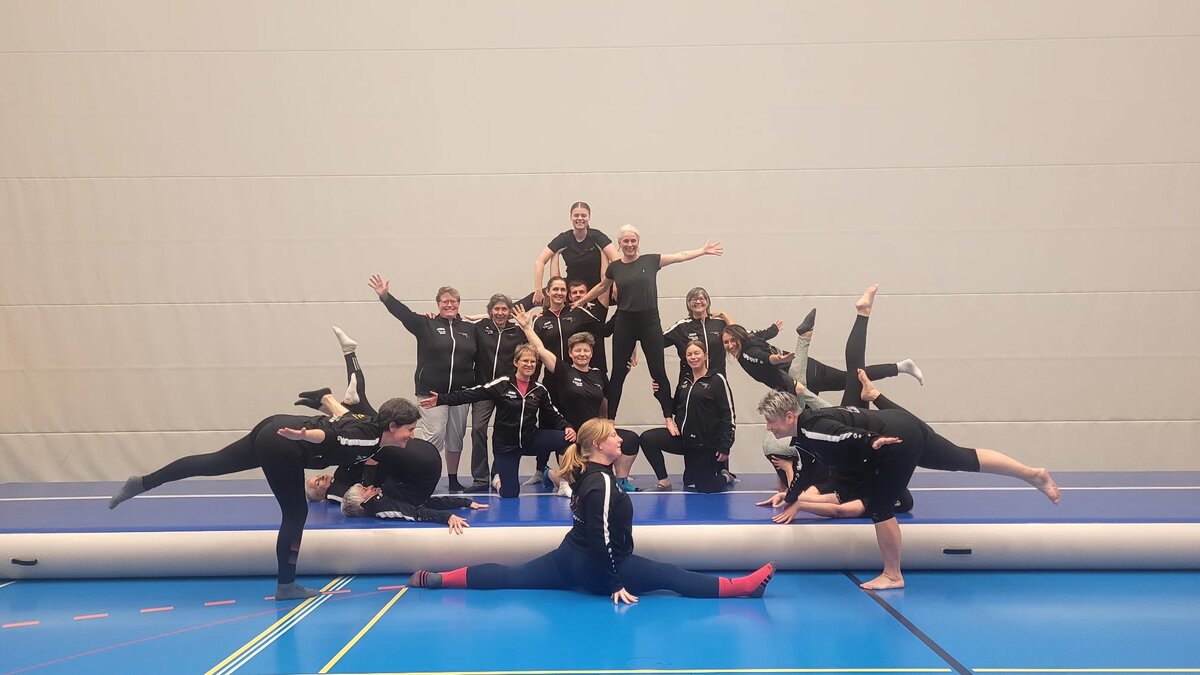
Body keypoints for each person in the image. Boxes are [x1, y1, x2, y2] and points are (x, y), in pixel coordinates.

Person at [406, 418, 776, 603]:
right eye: (614, 435)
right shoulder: (602, 482)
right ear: (600, 445)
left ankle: (439, 579)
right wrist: (615, 583)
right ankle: (741, 588)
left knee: (511, 575)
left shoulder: (589, 473)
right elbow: (601, 536)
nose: (620, 438)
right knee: (671, 575)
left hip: (568, 558)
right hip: (598, 568)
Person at [756, 376, 1061, 591]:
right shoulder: (805, 433)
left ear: (789, 416)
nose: (769, 428)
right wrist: (791, 498)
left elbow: (842, 434)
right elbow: (807, 469)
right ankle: (1032, 474)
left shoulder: (814, 427)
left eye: (771, 421)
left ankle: (893, 574)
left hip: (892, 441)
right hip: (903, 422)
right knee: (961, 458)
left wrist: (871, 440)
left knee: (880, 507)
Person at [109, 397, 425, 600]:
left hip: (274, 427)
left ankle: (143, 482)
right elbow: (330, 436)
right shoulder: (367, 438)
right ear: (392, 426)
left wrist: (324, 400)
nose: (412, 435)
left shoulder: (372, 426)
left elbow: (342, 415)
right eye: (410, 429)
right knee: (295, 514)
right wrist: (304, 436)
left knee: (212, 463)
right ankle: (286, 585)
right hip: (285, 443)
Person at [572, 225, 723, 420]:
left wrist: (702, 251)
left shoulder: (651, 261)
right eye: (626, 241)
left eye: (633, 241)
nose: (630, 244)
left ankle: (668, 417)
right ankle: (610, 420)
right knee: (618, 373)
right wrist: (582, 301)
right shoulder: (615, 267)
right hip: (625, 323)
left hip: (649, 323)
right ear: (619, 244)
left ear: (638, 242)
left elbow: (680, 256)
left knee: (658, 371)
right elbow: (602, 286)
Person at [514, 305, 643, 493]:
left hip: (594, 433)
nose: (582, 354)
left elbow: (605, 400)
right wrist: (526, 327)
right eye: (577, 350)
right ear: (570, 353)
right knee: (577, 483)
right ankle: (551, 475)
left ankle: (621, 479)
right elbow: (540, 349)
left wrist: (608, 423)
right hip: (572, 434)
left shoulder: (598, 374)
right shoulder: (564, 371)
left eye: (586, 350)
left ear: (591, 353)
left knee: (630, 440)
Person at [420, 345, 576, 498]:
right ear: (516, 362)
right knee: (510, 493)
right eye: (525, 361)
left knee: (567, 439)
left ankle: (561, 481)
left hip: (530, 439)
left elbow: (552, 413)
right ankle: (497, 481)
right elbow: (473, 394)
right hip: (506, 446)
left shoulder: (539, 389)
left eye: (533, 361)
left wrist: (567, 426)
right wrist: (442, 399)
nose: (529, 364)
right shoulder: (503, 384)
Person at [368, 274, 478, 492]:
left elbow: (492, 321)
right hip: (431, 393)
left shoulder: (469, 329)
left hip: (460, 394)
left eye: (453, 301)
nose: (449, 305)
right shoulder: (426, 324)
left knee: (456, 438)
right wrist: (385, 296)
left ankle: (453, 479)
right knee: (434, 435)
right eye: (445, 301)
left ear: (459, 304)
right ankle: (421, 475)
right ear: (438, 304)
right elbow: (404, 314)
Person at [638, 340, 736, 492]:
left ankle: (725, 476)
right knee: (647, 439)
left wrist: (725, 446)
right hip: (683, 439)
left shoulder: (717, 379)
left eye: (697, 353)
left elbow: (728, 414)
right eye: (689, 354)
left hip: (705, 443)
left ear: (705, 356)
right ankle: (664, 482)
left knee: (705, 487)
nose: (693, 357)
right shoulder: (685, 381)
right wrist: (660, 395)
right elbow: (677, 407)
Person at [338, 442, 490, 533]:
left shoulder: (381, 496)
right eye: (365, 490)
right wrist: (447, 517)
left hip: (421, 463)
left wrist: (465, 502)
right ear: (362, 503)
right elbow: (414, 512)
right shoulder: (380, 507)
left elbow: (424, 502)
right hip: (424, 466)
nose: (370, 486)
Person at [466, 294, 527, 493]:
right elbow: (459, 327)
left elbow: (529, 354)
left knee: (504, 433)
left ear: (510, 312)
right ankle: (480, 479)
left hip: (506, 390)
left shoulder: (517, 332)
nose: (500, 313)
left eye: (504, 309)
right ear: (490, 311)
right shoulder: (479, 328)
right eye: (496, 309)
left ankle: (497, 474)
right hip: (483, 389)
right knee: (478, 429)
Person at [662, 287, 780, 381]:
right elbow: (658, 342)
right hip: (690, 381)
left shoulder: (719, 323)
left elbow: (743, 335)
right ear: (688, 303)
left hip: (717, 380)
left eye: (702, 298)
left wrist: (771, 331)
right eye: (694, 299)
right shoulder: (681, 326)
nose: (698, 301)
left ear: (708, 302)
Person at [531, 202, 619, 307]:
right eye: (576, 215)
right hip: (573, 290)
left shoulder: (597, 236)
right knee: (530, 300)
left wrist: (616, 286)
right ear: (571, 217)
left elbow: (616, 260)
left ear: (589, 217)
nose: (580, 218)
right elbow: (540, 261)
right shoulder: (564, 238)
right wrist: (538, 290)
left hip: (597, 288)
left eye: (583, 215)